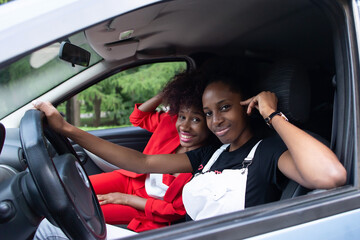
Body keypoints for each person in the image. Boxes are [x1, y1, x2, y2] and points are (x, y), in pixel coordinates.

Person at [33, 74, 346, 238]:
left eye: (225, 107)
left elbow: (331, 176)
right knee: (50, 225)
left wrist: (272, 114)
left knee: (51, 229)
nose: (216, 121)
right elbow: (139, 162)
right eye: (208, 113)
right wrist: (68, 130)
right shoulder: (211, 154)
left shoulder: (268, 152)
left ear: (246, 105)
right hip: (180, 234)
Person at [88, 72, 215, 232]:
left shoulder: (208, 164)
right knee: (77, 187)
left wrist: (125, 199)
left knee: (85, 213)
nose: (184, 126)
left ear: (211, 121)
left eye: (196, 119)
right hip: (130, 180)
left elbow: (174, 211)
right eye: (182, 116)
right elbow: (137, 117)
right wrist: (166, 94)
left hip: (145, 208)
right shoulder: (169, 123)